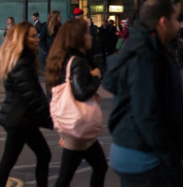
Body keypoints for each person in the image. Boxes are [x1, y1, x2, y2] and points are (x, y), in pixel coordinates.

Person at [103, 0, 183, 186]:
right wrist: (170, 157)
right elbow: (146, 114)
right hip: (143, 154)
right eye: (176, 19)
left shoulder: (145, 47)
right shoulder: (145, 56)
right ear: (163, 22)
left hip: (133, 148)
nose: (179, 25)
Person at [45, 19, 107, 187]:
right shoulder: (78, 61)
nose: (91, 37)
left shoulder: (61, 59)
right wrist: (95, 77)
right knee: (69, 175)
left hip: (72, 125)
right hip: (78, 126)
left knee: (97, 166)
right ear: (77, 37)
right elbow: (82, 93)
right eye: (87, 33)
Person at [0, 22, 53, 187]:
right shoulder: (21, 63)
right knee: (8, 162)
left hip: (22, 119)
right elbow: (32, 97)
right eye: (32, 36)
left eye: (36, 35)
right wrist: (52, 121)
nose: (37, 39)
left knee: (43, 154)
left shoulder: (23, 60)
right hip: (20, 120)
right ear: (21, 39)